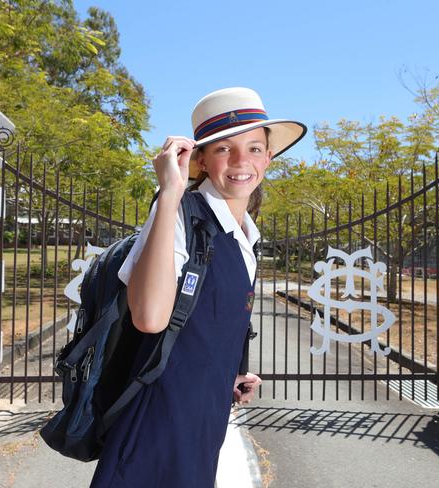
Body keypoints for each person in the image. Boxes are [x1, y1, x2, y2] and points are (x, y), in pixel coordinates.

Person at [89, 87, 306, 488]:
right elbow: (150, 318)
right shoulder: (178, 214)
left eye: (255, 148)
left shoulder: (244, 235)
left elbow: (208, 322)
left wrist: (230, 375)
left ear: (269, 157)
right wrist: (169, 192)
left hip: (203, 416)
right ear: (202, 160)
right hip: (158, 421)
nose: (243, 162)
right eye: (225, 149)